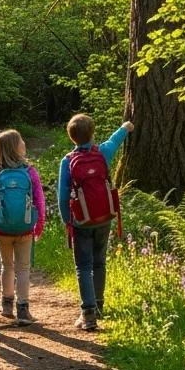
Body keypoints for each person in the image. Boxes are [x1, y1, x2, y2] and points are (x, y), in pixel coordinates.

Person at [57, 114, 133, 331]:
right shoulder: (102, 153)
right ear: (93, 133)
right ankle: (98, 305)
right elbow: (114, 141)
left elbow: (63, 195)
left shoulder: (67, 161)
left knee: (83, 266)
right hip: (104, 216)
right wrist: (125, 127)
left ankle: (88, 314)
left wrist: (67, 220)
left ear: (71, 137)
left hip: (81, 220)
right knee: (99, 262)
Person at [0, 129, 46, 326]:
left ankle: (7, 304)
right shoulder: (30, 171)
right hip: (25, 227)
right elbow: (40, 201)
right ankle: (23, 310)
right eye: (21, 141)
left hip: (2, 228)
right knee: (23, 268)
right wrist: (39, 225)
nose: (24, 143)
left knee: (7, 265)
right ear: (17, 148)